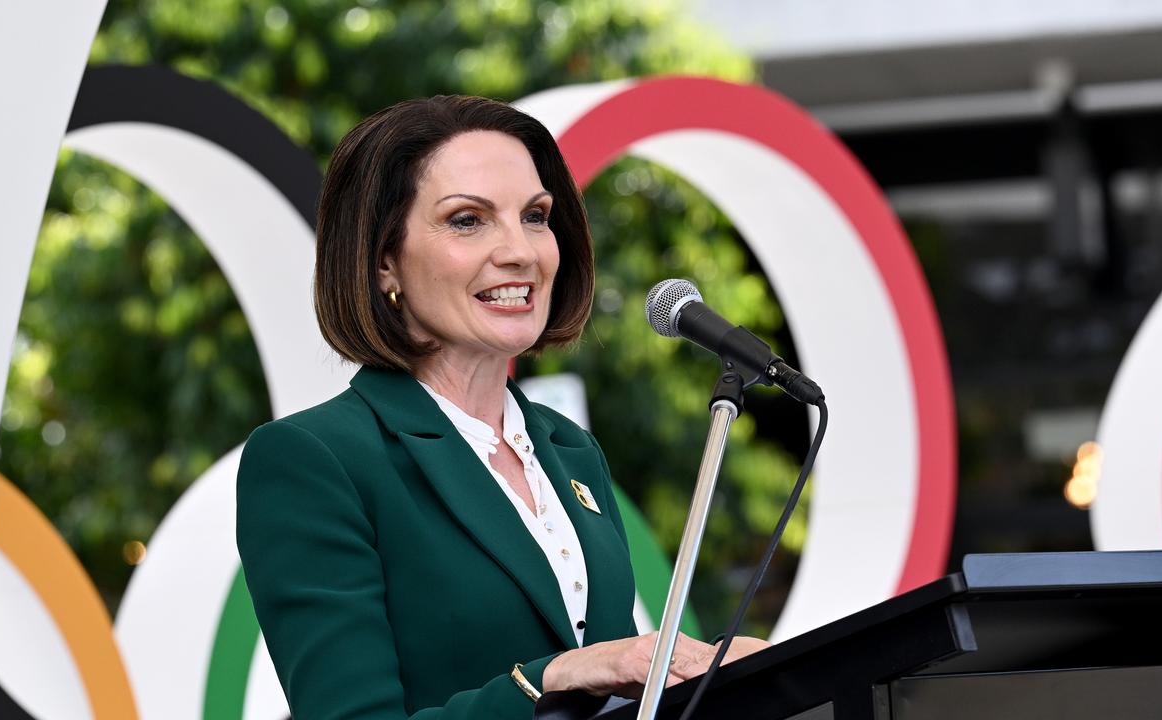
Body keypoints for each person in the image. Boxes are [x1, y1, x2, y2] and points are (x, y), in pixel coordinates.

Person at [236, 95, 766, 720]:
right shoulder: (315, 459)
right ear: (383, 261)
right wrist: (551, 677)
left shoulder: (568, 449)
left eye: (536, 216)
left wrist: (714, 678)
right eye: (468, 220)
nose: (522, 251)